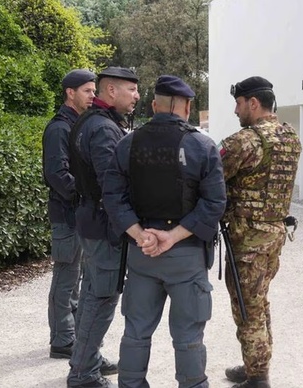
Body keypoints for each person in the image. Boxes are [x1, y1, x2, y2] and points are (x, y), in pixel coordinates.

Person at [102, 74, 226, 388]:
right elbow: (214, 203)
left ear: (155, 105)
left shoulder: (127, 142)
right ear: (186, 107)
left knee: (136, 332)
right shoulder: (202, 144)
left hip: (142, 253)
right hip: (186, 254)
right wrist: (171, 236)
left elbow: (113, 197)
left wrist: (140, 234)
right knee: (188, 337)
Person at [219, 76, 302, 388]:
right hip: (275, 234)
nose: (236, 111)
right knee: (259, 302)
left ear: (252, 103)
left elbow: (210, 175)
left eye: (238, 104)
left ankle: (257, 378)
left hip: (248, 239)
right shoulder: (291, 137)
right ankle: (255, 363)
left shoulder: (244, 141)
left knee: (247, 306)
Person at [67, 66, 140, 388]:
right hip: (102, 223)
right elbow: (112, 184)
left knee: (91, 295)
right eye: (132, 90)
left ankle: (85, 361)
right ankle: (83, 374)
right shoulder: (103, 128)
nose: (137, 96)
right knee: (102, 297)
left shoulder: (91, 121)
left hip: (91, 218)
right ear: (111, 91)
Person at [43, 69, 96, 360]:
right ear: (70, 93)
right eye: (87, 91)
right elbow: (56, 174)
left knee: (77, 277)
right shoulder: (59, 128)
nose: (93, 96)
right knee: (66, 277)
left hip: (80, 213)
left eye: (93, 90)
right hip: (67, 215)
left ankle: (70, 334)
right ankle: (62, 340)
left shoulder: (78, 125)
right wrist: (84, 195)